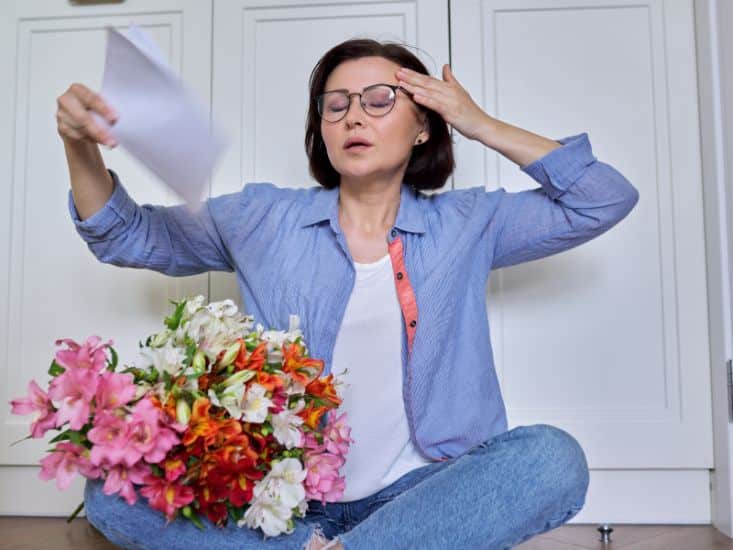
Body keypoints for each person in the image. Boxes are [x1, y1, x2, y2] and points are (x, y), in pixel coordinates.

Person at [56, 37, 638, 550]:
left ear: (424, 122)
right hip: (284, 505)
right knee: (113, 494)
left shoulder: (469, 222)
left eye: (379, 100)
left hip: (420, 495)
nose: (353, 117)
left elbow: (602, 198)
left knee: (552, 460)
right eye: (336, 106)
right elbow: (124, 236)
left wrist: (479, 123)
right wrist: (79, 145)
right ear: (322, 130)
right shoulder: (262, 217)